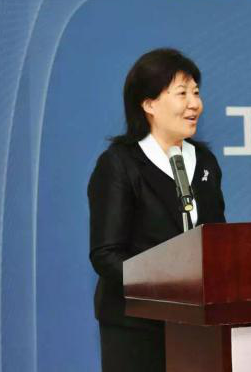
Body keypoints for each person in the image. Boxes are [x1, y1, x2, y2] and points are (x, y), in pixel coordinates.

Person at [88, 48, 226, 371]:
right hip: (136, 327)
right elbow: (106, 255)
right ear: (149, 104)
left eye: (196, 92)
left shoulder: (204, 162)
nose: (195, 104)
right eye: (182, 93)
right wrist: (168, 284)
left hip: (196, 325)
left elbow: (217, 241)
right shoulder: (120, 164)